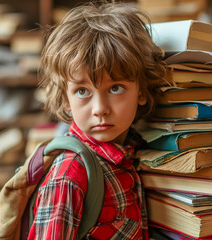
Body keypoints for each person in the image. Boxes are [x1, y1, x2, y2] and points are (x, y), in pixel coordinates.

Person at [28, 1, 167, 239]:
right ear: (65, 99)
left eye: (116, 88)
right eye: (82, 91)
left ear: (141, 91)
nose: (100, 109)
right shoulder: (69, 175)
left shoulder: (131, 151)